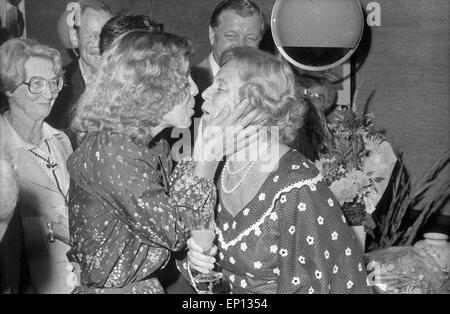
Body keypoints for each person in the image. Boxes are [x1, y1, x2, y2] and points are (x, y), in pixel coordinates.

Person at [67, 30, 259, 294]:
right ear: (149, 88)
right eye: (183, 80)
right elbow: (176, 231)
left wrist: (193, 253)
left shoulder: (152, 145)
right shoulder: (112, 150)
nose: (195, 89)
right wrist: (208, 156)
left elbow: (177, 210)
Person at [181, 47, 369, 294]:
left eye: (221, 87)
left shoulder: (297, 185)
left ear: (257, 102)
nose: (205, 93)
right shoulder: (217, 166)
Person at [0, 38, 73, 293]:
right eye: (37, 83)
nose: (50, 92)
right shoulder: (2, 151)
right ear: (9, 87)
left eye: (54, 82)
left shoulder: (63, 141)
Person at [190, 0, 266, 139]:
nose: (241, 46)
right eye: (231, 36)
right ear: (212, 35)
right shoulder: (187, 88)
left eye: (250, 38)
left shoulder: (270, 92)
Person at [46, 0, 112, 140]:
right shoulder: (57, 88)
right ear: (75, 38)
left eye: (108, 35)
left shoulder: (128, 80)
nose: (102, 45)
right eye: (93, 36)